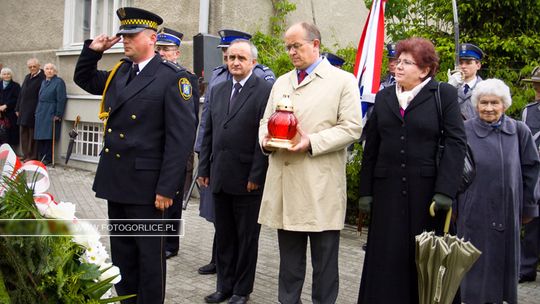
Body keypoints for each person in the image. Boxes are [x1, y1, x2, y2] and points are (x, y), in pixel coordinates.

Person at [73, 7, 197, 303]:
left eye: (131, 35)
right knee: (123, 255)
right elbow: (84, 79)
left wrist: (168, 188)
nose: (125, 40)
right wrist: (93, 51)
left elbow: (180, 140)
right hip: (118, 181)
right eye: (123, 35)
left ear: (152, 39)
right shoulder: (120, 72)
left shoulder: (172, 78)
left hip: (148, 187)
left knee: (149, 260)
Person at [357, 37, 467, 304]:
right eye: (398, 61)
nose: (398, 66)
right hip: (387, 193)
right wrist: (365, 191)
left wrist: (444, 191)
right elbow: (372, 146)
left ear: (425, 70)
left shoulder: (443, 95)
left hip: (427, 196)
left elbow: (456, 142)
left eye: (407, 62)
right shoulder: (384, 97)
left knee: (425, 259)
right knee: (386, 258)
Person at [259, 22, 363, 304]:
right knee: (289, 265)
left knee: (325, 263)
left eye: (297, 46)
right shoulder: (281, 81)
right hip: (286, 187)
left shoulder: (343, 81)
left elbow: (352, 128)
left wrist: (311, 142)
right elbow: (264, 121)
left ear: (315, 44)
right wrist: (265, 140)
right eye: (288, 47)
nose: (292, 52)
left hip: (320, 188)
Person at [194, 28, 275, 276]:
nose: (235, 62)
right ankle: (224, 287)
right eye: (231, 58)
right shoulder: (218, 89)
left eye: (241, 58)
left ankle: (241, 289)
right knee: (225, 236)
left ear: (253, 62)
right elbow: (209, 132)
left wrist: (255, 176)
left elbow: (263, 137)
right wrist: (204, 169)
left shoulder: (264, 90)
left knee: (246, 238)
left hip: (247, 179)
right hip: (219, 175)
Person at [455, 78, 540, 303]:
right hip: (473, 208)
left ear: (505, 105)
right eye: (484, 103)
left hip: (507, 209)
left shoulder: (519, 131)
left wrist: (529, 207)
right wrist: (454, 207)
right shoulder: (465, 130)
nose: (489, 108)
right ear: (476, 105)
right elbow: (453, 170)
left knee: (501, 271)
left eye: (495, 103)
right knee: (473, 267)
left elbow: (531, 169)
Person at [155, 26, 200, 259]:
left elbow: (189, 120)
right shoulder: (154, 75)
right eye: (159, 48)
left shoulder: (185, 78)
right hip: (157, 149)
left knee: (172, 202)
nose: (162, 53)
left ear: (177, 53)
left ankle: (171, 244)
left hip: (177, 151)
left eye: (167, 49)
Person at [520, 66, 540, 283]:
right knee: (533, 223)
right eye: (536, 85)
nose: (536, 89)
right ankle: (526, 268)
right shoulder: (529, 111)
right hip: (535, 173)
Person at [34, 63, 67, 165]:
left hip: (50, 111)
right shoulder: (44, 82)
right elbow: (40, 98)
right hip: (41, 111)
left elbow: (61, 99)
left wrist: (58, 114)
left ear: (55, 71)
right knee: (40, 136)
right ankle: (41, 156)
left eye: (51, 69)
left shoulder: (59, 82)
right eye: (47, 69)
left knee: (48, 136)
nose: (49, 71)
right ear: (44, 71)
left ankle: (47, 158)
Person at [15, 58, 45, 161]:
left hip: (34, 110)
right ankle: (25, 154)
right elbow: (21, 94)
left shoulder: (43, 77)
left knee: (32, 134)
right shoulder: (27, 77)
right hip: (23, 110)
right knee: (23, 133)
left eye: (34, 66)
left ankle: (32, 156)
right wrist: (17, 108)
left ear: (39, 66)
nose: (32, 68)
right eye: (30, 67)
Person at [447, 43, 484, 120]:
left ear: (478, 65)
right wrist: (449, 88)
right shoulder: (451, 86)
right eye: (460, 63)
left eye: (468, 63)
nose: (463, 66)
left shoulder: (485, 88)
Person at [0, 67, 21, 146]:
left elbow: (17, 98)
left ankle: (11, 151)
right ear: (2, 75)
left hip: (11, 113)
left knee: (11, 132)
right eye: (4, 74)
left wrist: (6, 105)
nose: (6, 76)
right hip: (1, 114)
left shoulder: (16, 86)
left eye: (8, 74)